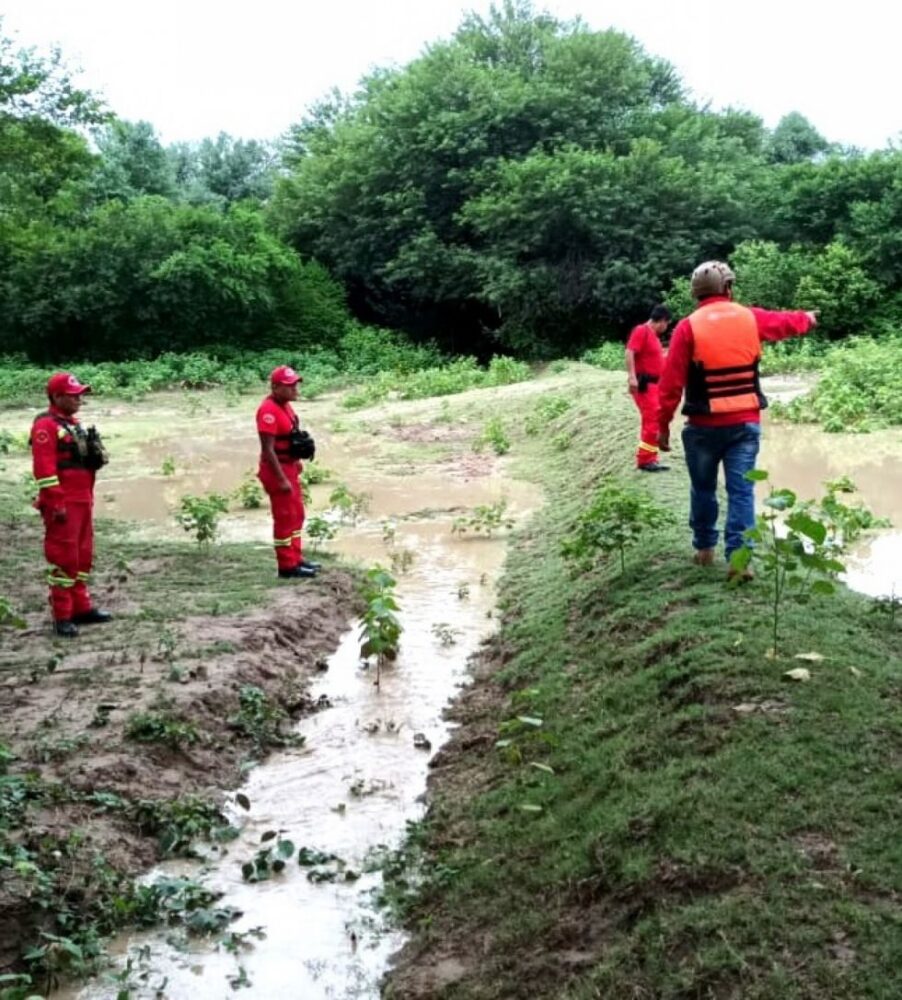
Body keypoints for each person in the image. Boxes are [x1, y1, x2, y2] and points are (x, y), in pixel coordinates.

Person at [657, 261, 817, 576]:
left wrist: (661, 428)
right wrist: (807, 319)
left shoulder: (686, 328)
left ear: (695, 293)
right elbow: (782, 322)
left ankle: (704, 550)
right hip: (744, 425)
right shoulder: (749, 317)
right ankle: (739, 560)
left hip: (702, 428)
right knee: (741, 492)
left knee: (702, 488)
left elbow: (670, 386)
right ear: (728, 288)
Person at [31, 372, 111, 638]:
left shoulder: (72, 424)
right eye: (73, 395)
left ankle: (81, 608)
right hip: (63, 503)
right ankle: (62, 616)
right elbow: (44, 470)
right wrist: (56, 503)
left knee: (83, 554)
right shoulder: (45, 426)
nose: (79, 399)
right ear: (57, 397)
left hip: (82, 500)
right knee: (64, 557)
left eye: (80, 395)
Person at [256, 366, 319, 580]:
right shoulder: (268, 411)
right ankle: (286, 567)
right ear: (275, 387)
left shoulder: (286, 407)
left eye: (296, 384)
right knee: (285, 518)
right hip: (277, 471)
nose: (295, 389)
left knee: (297, 515)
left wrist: (296, 462)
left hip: (289, 467)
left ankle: (296, 558)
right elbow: (268, 449)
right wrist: (281, 479)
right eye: (289, 385)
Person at [626, 304, 671, 472]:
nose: (665, 328)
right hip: (645, 385)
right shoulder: (642, 331)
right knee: (652, 421)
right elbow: (630, 352)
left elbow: (655, 359)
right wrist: (631, 377)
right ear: (662, 321)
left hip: (655, 384)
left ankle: (650, 457)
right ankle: (645, 460)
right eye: (667, 324)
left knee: (653, 421)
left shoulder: (653, 336)